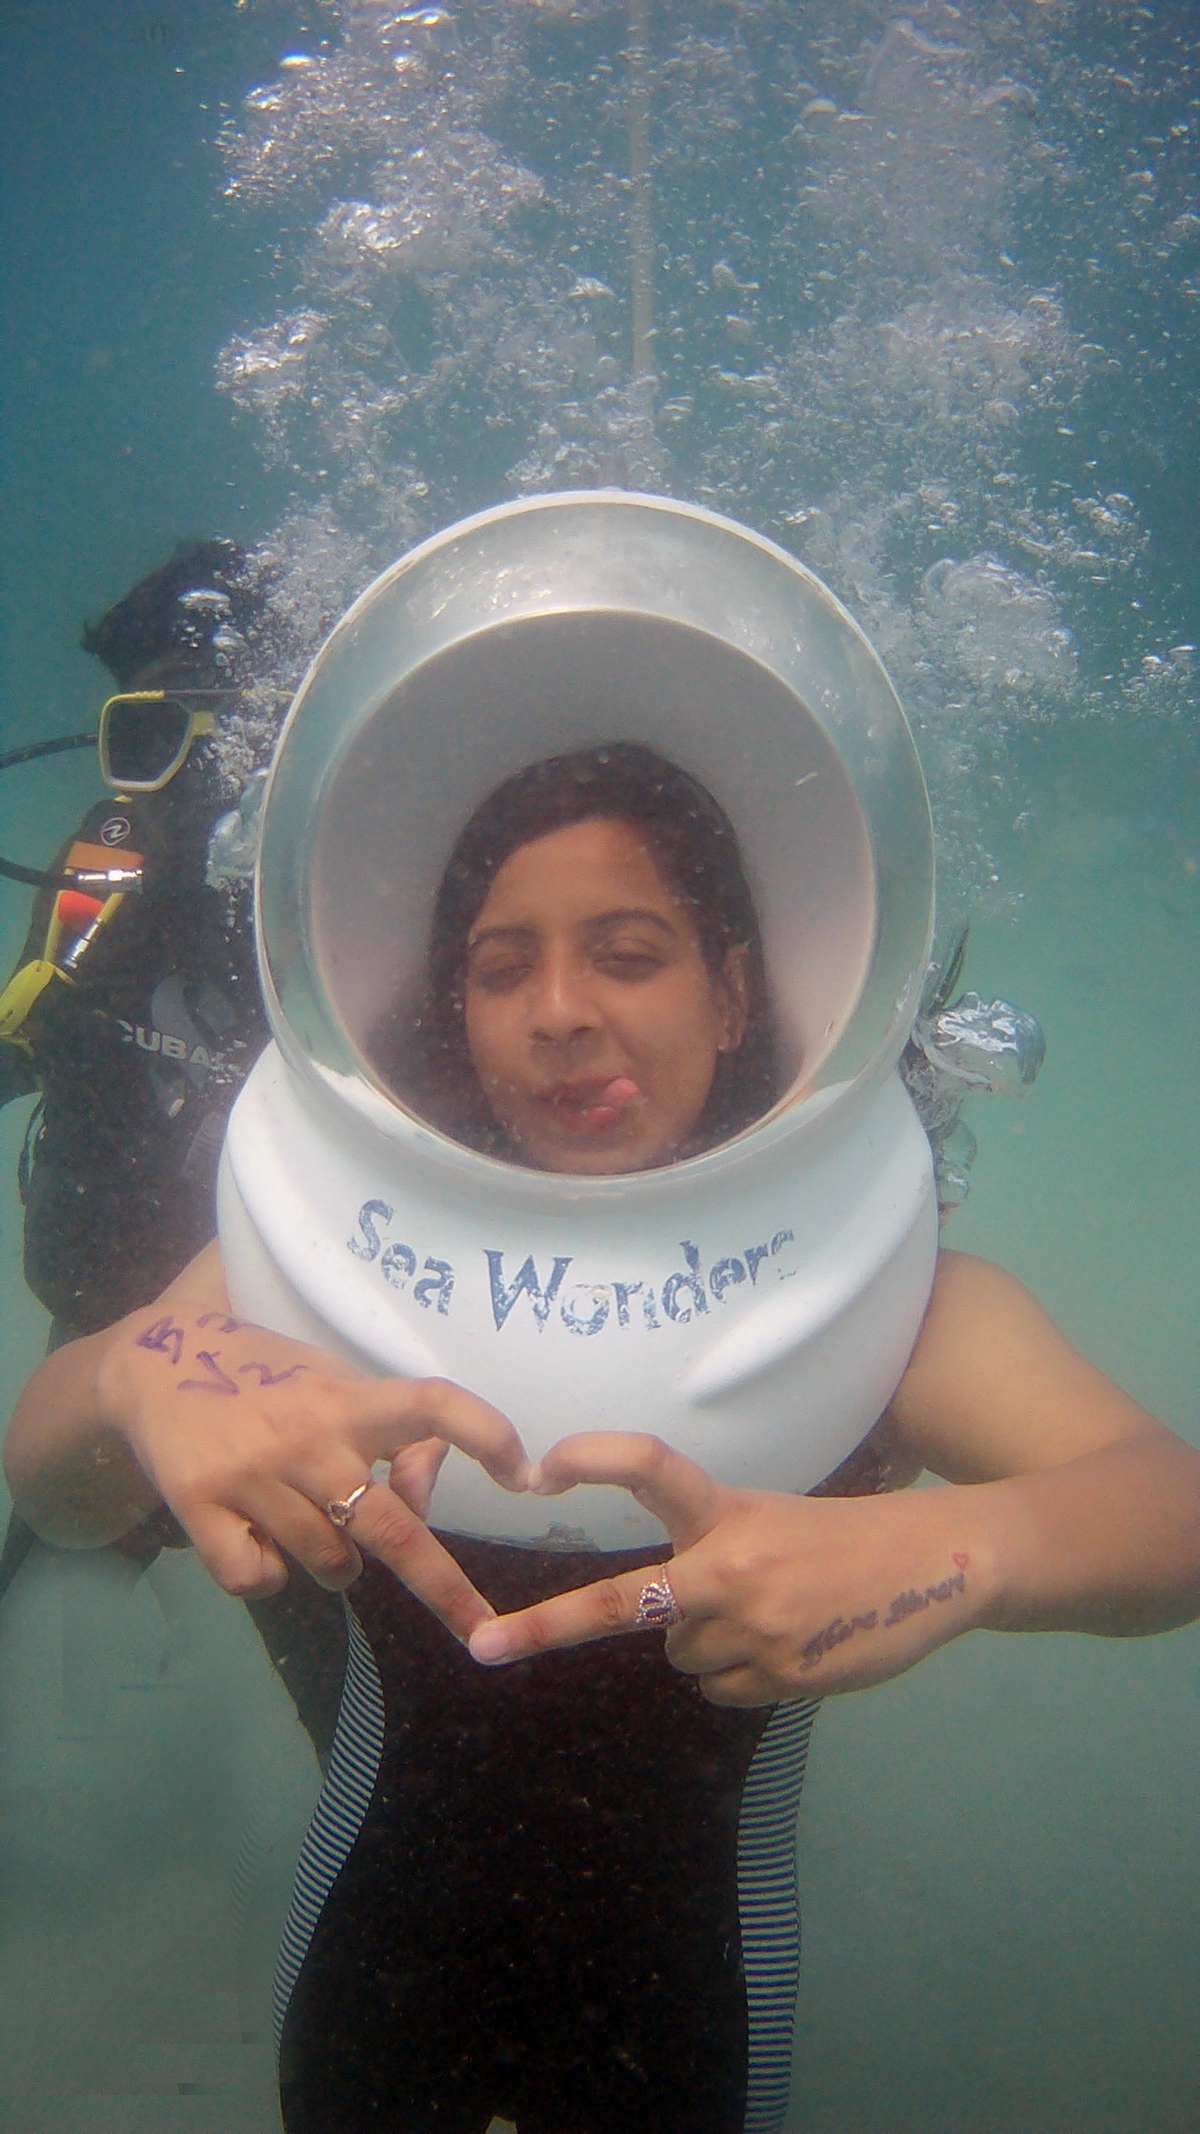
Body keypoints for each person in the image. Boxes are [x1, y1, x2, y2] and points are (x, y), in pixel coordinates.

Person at [6, 743, 1200, 2134]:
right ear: (457, 1003)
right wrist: (136, 1377)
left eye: (629, 953)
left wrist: (955, 1550)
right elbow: (54, 1483)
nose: (560, 1012)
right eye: (503, 967)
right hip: (372, 1930)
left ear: (736, 988)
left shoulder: (883, 1304)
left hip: (694, 1964)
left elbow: (1169, 1508)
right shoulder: (327, 1263)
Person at [0, 543, 347, 1753]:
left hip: (305, 1345)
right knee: (57, 1597)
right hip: (107, 1333)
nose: (202, 773)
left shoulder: (360, 866)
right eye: (154, 733)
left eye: (238, 729)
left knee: (353, 1683)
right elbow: (24, 1032)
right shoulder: (113, 856)